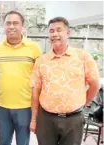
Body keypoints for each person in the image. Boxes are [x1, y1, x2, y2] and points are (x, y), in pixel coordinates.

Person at [30, 16, 101, 145]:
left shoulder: (83, 57)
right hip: (46, 119)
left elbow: (95, 83)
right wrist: (34, 119)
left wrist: (84, 102)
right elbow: (35, 90)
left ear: (68, 33)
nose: (55, 34)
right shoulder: (42, 61)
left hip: (73, 120)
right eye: (51, 31)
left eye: (59, 30)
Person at [0, 11, 42, 145]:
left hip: (25, 107)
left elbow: (41, 76)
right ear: (4, 26)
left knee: (23, 142)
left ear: (23, 26)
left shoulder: (34, 48)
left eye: (15, 23)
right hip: (1, 106)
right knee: (4, 141)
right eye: (8, 23)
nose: (11, 26)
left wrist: (37, 104)